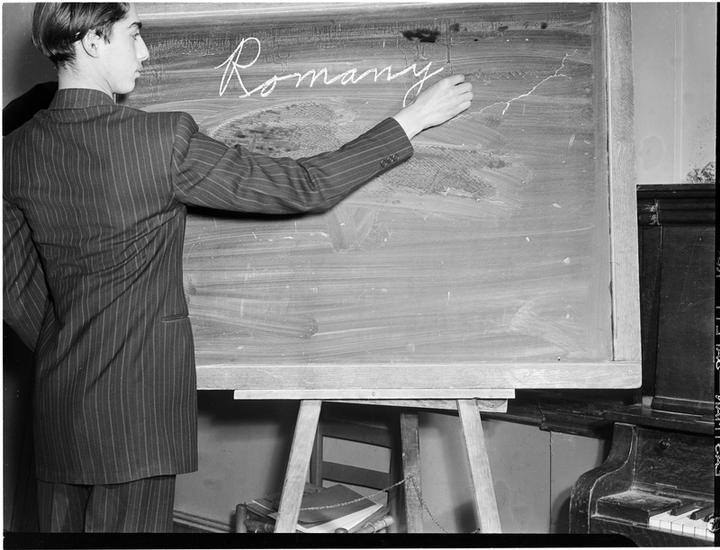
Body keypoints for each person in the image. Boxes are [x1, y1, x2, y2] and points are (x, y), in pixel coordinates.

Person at [3, 2, 472, 533]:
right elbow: (303, 186)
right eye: (133, 34)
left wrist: (69, 344)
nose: (145, 51)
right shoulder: (160, 140)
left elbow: (14, 292)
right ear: (92, 42)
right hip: (136, 417)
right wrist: (412, 120)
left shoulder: (12, 152)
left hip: (59, 407)